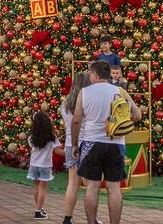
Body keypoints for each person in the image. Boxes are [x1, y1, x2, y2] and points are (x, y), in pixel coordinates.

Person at [69, 60, 142, 224]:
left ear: (95, 74)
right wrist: (118, 121)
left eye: (89, 73)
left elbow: (76, 121)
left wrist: (74, 144)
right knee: (114, 187)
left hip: (91, 142)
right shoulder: (120, 91)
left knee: (92, 187)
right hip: (116, 143)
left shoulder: (84, 92)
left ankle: (92, 222)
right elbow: (138, 115)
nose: (89, 76)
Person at [60, 72, 89, 224]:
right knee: (91, 184)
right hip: (86, 142)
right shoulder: (87, 101)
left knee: (72, 183)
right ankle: (92, 217)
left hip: (70, 143)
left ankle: (67, 217)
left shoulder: (65, 104)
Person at [28, 111, 59, 219]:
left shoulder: (32, 137)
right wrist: (69, 154)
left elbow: (31, 146)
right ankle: (38, 211)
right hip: (45, 165)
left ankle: (38, 208)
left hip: (34, 164)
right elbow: (57, 151)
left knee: (36, 187)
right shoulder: (51, 137)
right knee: (42, 188)